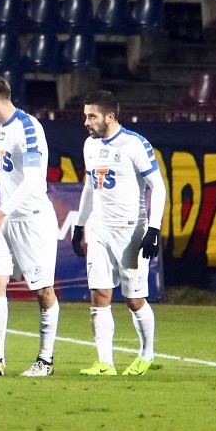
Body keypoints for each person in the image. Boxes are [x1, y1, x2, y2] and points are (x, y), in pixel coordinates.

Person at [0, 74, 59, 377]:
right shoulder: (2, 127)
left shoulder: (28, 129)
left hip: (30, 220)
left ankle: (45, 360)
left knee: (42, 291)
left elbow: (33, 180)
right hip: (7, 221)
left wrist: (1, 212)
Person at [71, 90, 166, 377]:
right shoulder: (89, 145)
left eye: (92, 116)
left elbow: (158, 187)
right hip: (99, 229)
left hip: (130, 232)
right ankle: (105, 363)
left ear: (110, 116)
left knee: (134, 299)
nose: (86, 122)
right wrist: (79, 225)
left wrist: (153, 229)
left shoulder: (135, 144)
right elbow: (90, 187)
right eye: (85, 115)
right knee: (99, 295)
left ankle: (146, 354)